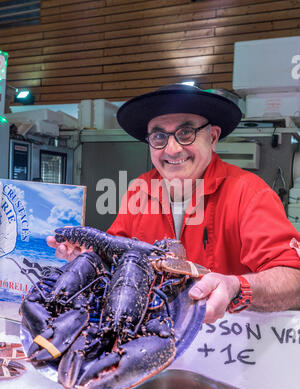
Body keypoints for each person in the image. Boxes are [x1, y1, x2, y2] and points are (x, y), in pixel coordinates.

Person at [47, 83, 300, 324]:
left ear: (212, 137)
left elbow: (293, 279)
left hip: (229, 347)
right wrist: (88, 260)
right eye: (159, 136)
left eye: (186, 133)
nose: (172, 148)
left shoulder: (249, 192)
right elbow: (115, 259)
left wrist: (236, 287)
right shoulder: (139, 189)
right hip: (146, 338)